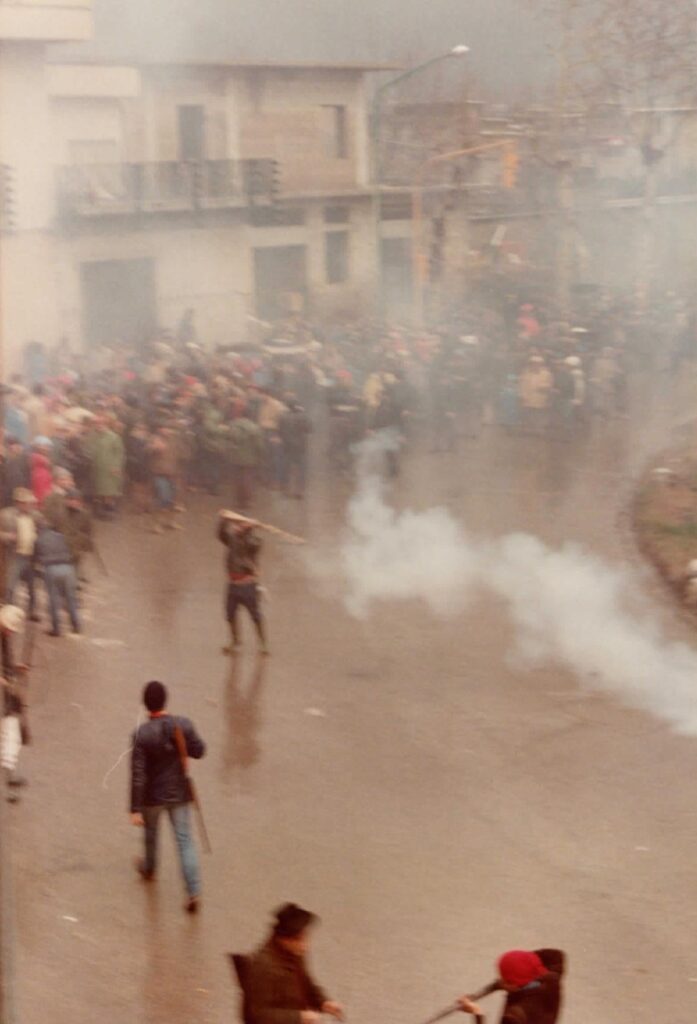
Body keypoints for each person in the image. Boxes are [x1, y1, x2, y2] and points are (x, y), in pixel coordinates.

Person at [130, 680, 206, 913]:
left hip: (151, 798)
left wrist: (135, 808)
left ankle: (149, 869)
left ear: (146, 704)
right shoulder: (182, 724)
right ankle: (193, 892)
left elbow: (138, 774)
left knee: (151, 835)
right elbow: (200, 750)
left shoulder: (141, 734)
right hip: (179, 794)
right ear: (165, 700)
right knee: (185, 841)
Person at [243, 903, 344, 1024]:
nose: (305, 946)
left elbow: (307, 983)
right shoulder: (264, 967)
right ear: (285, 940)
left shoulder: (295, 952)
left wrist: (323, 1002)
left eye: (305, 937)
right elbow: (258, 1014)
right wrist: (299, 1017)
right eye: (300, 939)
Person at [460, 948, 566, 1024]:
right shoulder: (552, 980)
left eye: (504, 978)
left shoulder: (513, 1017)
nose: (500, 980)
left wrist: (477, 1013)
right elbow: (555, 955)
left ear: (514, 985)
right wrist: (522, 964)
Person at [217, 512, 268, 655]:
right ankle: (235, 642)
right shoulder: (232, 538)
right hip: (233, 584)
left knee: (255, 615)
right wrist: (223, 520)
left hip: (248, 585)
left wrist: (250, 528)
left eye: (240, 525)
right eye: (236, 525)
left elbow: (253, 545)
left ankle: (263, 643)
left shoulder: (254, 540)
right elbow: (220, 534)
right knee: (230, 614)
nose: (236, 527)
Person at [0, 604, 29, 803]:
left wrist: (16, 668)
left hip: (7, 699)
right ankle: (9, 783)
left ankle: (10, 779)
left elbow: (7, 664)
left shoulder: (5, 638)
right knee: (10, 737)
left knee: (11, 736)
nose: (11, 632)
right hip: (4, 698)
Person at [0, 487, 43, 620]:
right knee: (11, 586)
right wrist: (7, 536)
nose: (29, 505)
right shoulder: (5, 515)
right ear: (18, 503)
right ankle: (9, 614)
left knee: (32, 586)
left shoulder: (35, 515)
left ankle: (32, 611)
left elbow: (44, 529)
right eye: (26, 503)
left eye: (30, 503)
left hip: (30, 556)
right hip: (15, 556)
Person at [34, 522, 81, 637]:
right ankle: (76, 626)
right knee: (70, 599)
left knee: (53, 600)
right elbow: (71, 550)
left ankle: (56, 629)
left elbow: (36, 558)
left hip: (52, 569)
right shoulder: (60, 536)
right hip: (68, 568)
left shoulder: (38, 540)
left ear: (38, 530)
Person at [87, 417, 125, 519]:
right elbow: (90, 450)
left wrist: (116, 466)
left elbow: (119, 453)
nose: (99, 426)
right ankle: (100, 512)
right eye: (97, 424)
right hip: (97, 469)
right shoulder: (94, 437)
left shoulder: (114, 437)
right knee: (99, 490)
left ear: (106, 425)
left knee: (109, 491)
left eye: (101, 424)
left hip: (110, 469)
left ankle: (110, 512)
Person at [278, 397, 312, 499]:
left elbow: (280, 431)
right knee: (301, 469)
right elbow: (310, 429)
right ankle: (299, 491)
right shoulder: (303, 416)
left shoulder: (283, 416)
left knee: (286, 468)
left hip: (287, 446)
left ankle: (286, 489)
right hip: (300, 446)